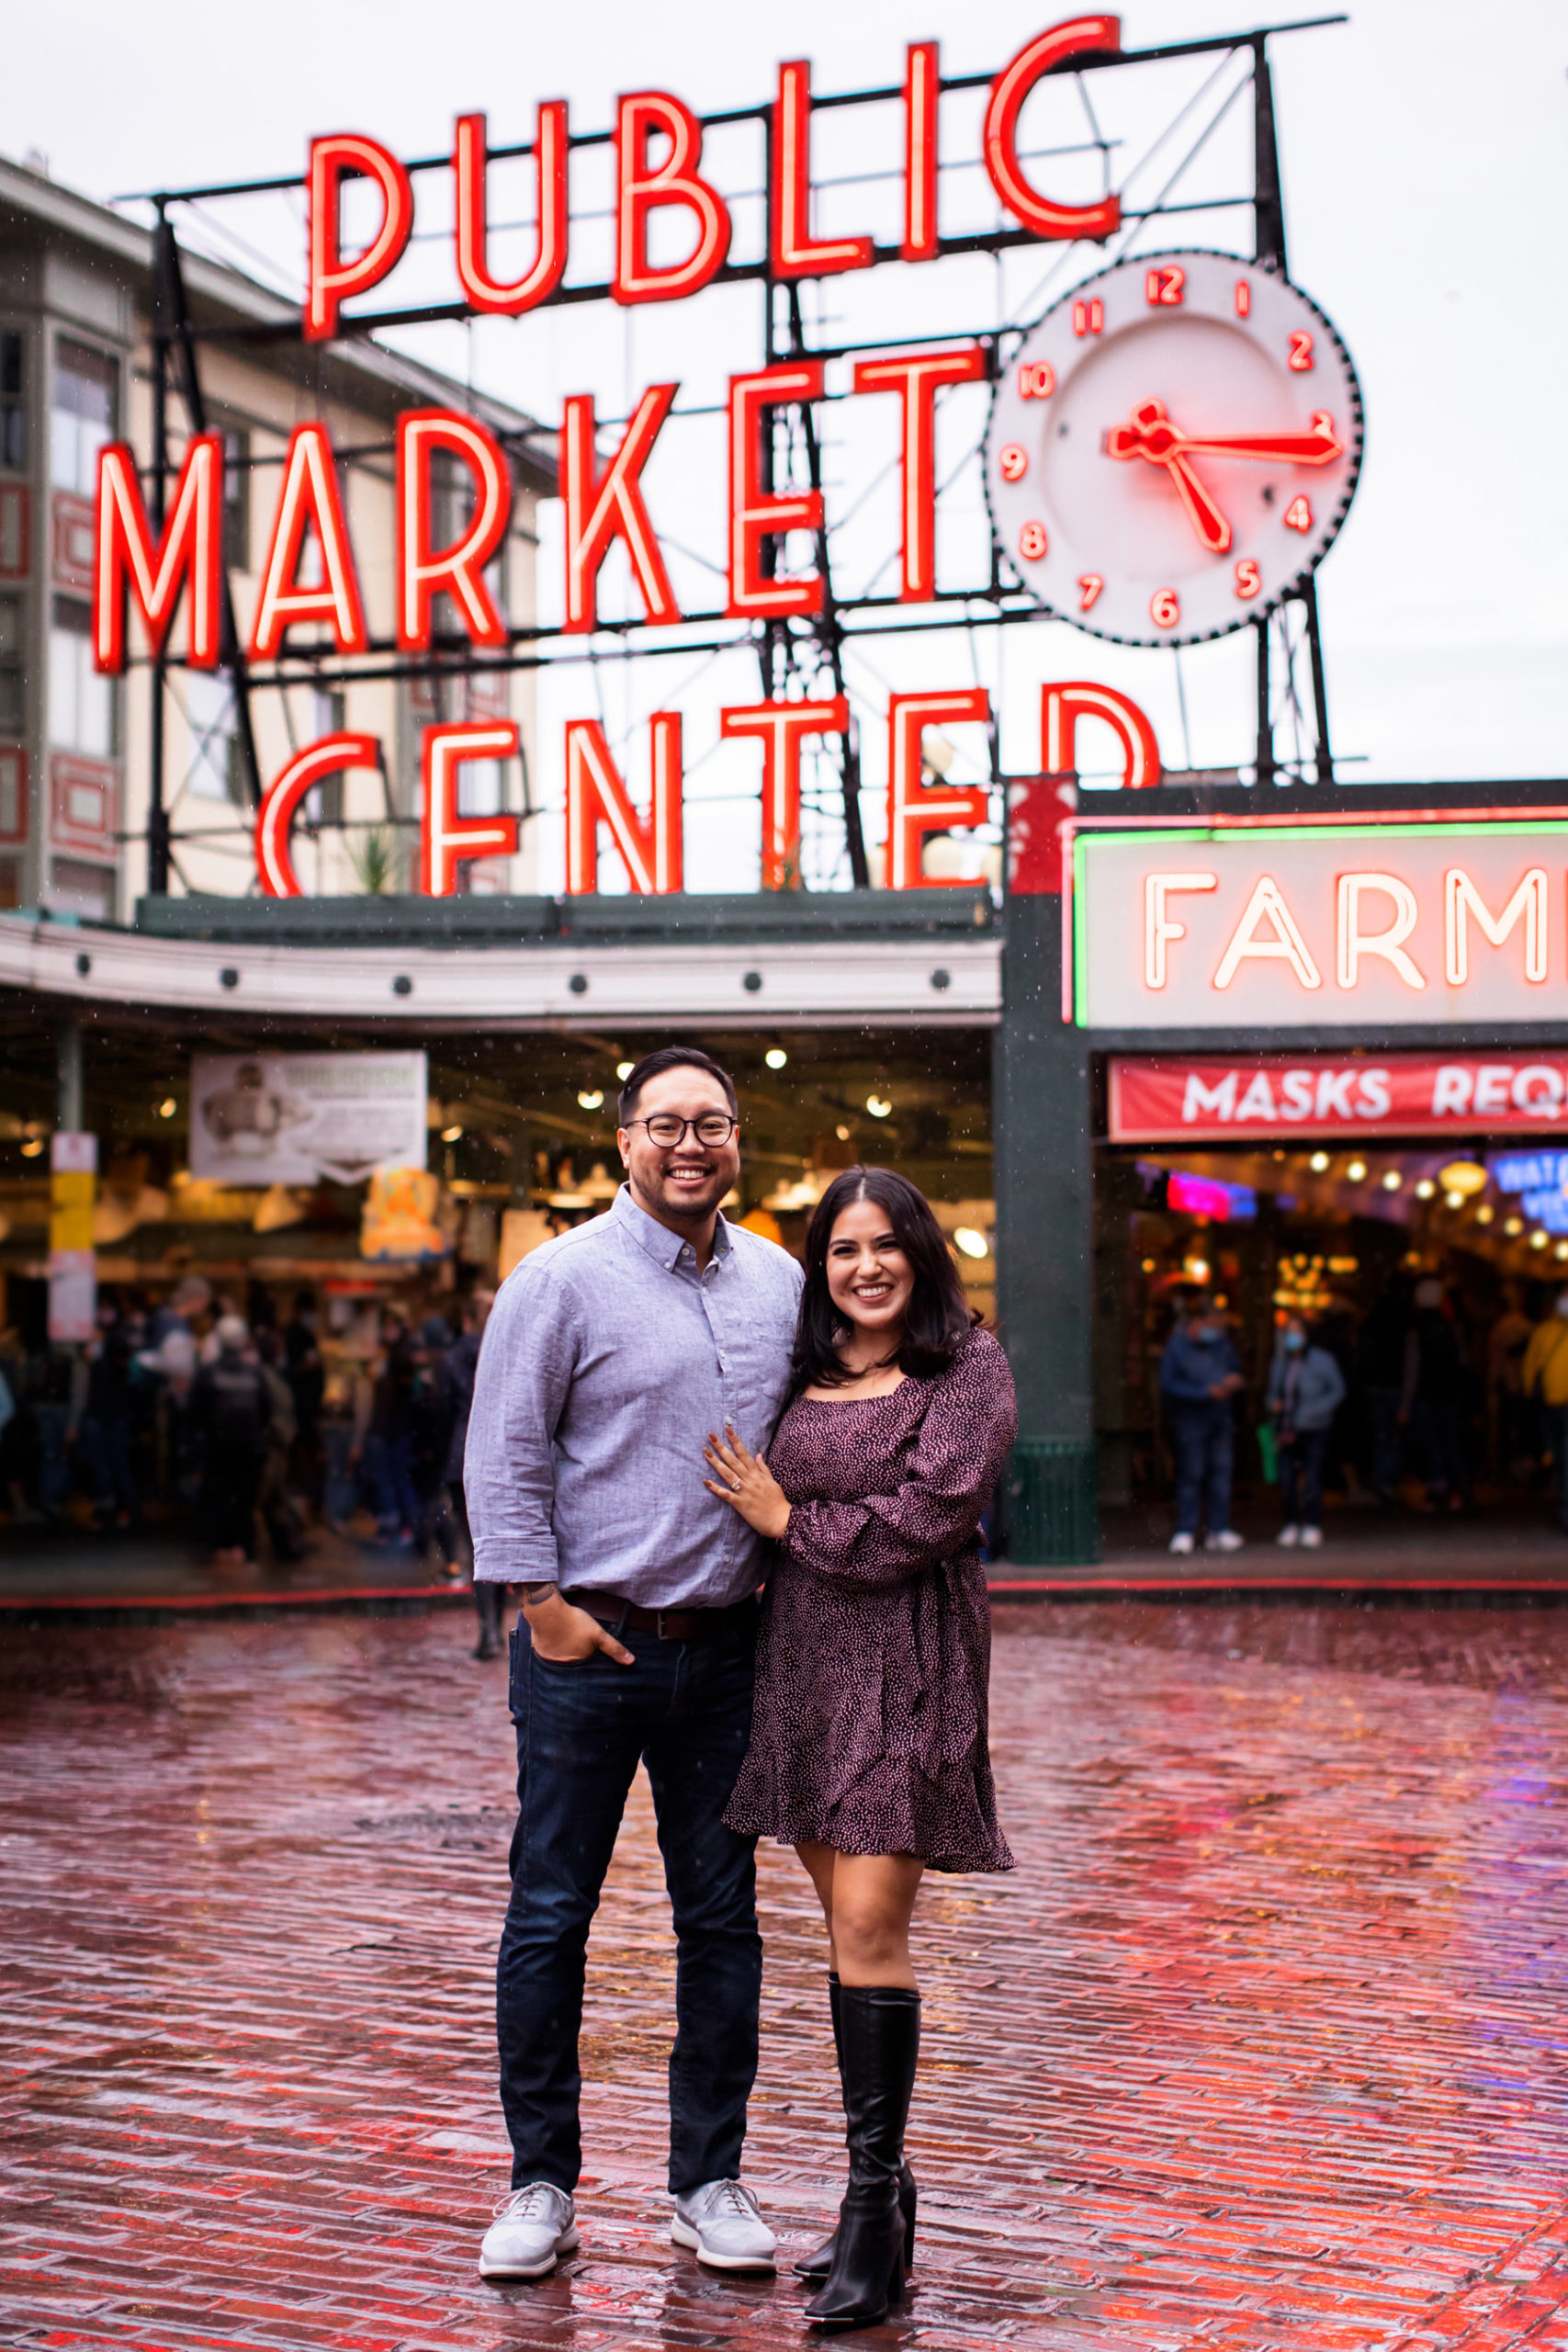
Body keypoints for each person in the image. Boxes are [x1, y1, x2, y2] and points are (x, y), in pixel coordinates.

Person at [464, 1046, 802, 2285]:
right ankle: (539, 2183)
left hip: (726, 1652)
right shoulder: (558, 1278)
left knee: (720, 1920)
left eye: (711, 1123)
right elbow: (504, 1448)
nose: (689, 1144)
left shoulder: (780, 1281)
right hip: (586, 1651)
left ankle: (706, 2181)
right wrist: (538, 1602)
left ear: (736, 1139)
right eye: (665, 1124)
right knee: (552, 1913)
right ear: (623, 1141)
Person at [714, 1167, 1016, 2330]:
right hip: (802, 1668)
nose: (866, 1266)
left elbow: (935, 1512)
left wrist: (789, 1520)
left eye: (885, 1244)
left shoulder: (966, 1363)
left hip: (913, 1664)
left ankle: (870, 2202)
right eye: (843, 1249)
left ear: (920, 1251)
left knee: (873, 1927)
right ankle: (885, 2193)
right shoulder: (808, 1365)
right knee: (844, 1931)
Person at [436, 1289, 500, 1654]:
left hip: (463, 1454)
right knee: (501, 1543)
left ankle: (488, 1630)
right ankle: (497, 1629)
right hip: (501, 1452)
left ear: (466, 1320)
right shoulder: (506, 1351)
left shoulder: (453, 1358)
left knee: (476, 1546)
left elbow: (441, 1411)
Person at [1158, 1299, 1245, 1556]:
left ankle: (1219, 1529)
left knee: (1221, 1473)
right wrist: (1204, 1393)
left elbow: (1235, 1368)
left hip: (1220, 1418)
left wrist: (1233, 1380)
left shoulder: (1221, 1344)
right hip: (1190, 1419)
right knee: (1191, 1473)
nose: (1215, 1331)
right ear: (1197, 1322)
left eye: (1219, 1327)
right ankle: (1185, 1529)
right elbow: (1168, 1385)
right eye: (1212, 1325)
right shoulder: (1176, 1347)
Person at [190, 1315, 270, 1567]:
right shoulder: (255, 1373)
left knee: (220, 1498)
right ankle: (245, 1549)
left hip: (218, 1449)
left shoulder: (207, 1373)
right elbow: (266, 1410)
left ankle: (223, 1548)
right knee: (245, 1501)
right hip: (249, 1449)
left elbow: (196, 1414)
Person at [1265, 1314, 1346, 1549]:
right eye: (1288, 1332)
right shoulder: (1280, 1362)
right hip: (1287, 1429)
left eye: (1297, 1332)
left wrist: (1315, 1411)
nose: (1292, 1337)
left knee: (1312, 1477)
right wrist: (1273, 1404)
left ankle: (1312, 1523)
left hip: (1314, 1428)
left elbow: (1337, 1390)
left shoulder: (1322, 1360)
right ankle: (1290, 1522)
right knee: (1287, 1479)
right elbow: (1272, 1393)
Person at [1401, 1277, 1470, 1512]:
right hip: (1448, 1393)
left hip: (1426, 1394)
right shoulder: (1451, 1327)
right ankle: (1455, 1490)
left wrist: (1405, 1405)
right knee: (1449, 1441)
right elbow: (1462, 1362)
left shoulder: (1417, 1329)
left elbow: (1412, 1368)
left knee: (1431, 1444)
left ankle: (1437, 1490)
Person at [1524, 1289, 1568, 1531]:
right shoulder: (1544, 1331)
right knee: (1558, 1456)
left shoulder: (1544, 1331)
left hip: (1557, 1405)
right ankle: (1563, 1503)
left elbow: (1529, 1366)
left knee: (1563, 1456)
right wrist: (1532, 1394)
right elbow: (1531, 1365)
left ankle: (1565, 1509)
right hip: (1550, 1404)